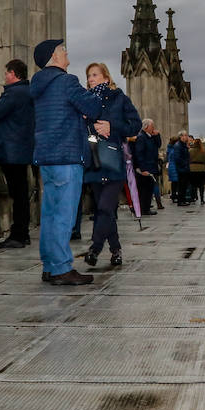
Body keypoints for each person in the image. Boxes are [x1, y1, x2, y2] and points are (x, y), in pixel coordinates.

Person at [30, 39, 108, 285]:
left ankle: (50, 266)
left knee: (51, 214)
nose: (66, 52)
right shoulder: (66, 81)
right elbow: (93, 108)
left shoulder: (39, 84)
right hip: (67, 154)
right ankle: (62, 268)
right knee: (63, 214)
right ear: (54, 57)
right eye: (62, 50)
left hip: (46, 156)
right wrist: (99, 90)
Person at [80, 63, 141, 268]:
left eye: (95, 75)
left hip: (113, 160)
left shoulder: (120, 98)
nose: (91, 79)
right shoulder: (84, 100)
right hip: (94, 159)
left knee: (105, 207)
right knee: (104, 210)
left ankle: (95, 248)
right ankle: (116, 250)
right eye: (89, 76)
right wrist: (89, 125)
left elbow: (135, 125)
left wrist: (111, 126)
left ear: (106, 78)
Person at [0, 59, 35, 249]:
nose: (5, 76)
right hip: (21, 150)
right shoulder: (28, 92)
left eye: (6, 73)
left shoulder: (14, 93)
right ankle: (22, 233)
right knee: (21, 193)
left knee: (18, 194)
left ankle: (19, 235)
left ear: (13, 73)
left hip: (11, 151)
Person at [133, 119, 162, 215]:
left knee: (149, 189)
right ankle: (143, 209)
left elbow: (158, 145)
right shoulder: (141, 137)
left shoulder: (150, 137)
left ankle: (145, 208)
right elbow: (139, 154)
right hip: (145, 168)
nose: (153, 128)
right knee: (144, 189)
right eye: (152, 126)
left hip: (151, 166)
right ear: (146, 127)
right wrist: (143, 169)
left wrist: (157, 135)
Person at [187, 130, 205, 204]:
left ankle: (193, 198)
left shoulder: (190, 150)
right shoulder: (203, 151)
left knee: (193, 185)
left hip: (192, 169)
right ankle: (202, 199)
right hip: (201, 169)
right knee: (201, 185)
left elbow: (188, 159)